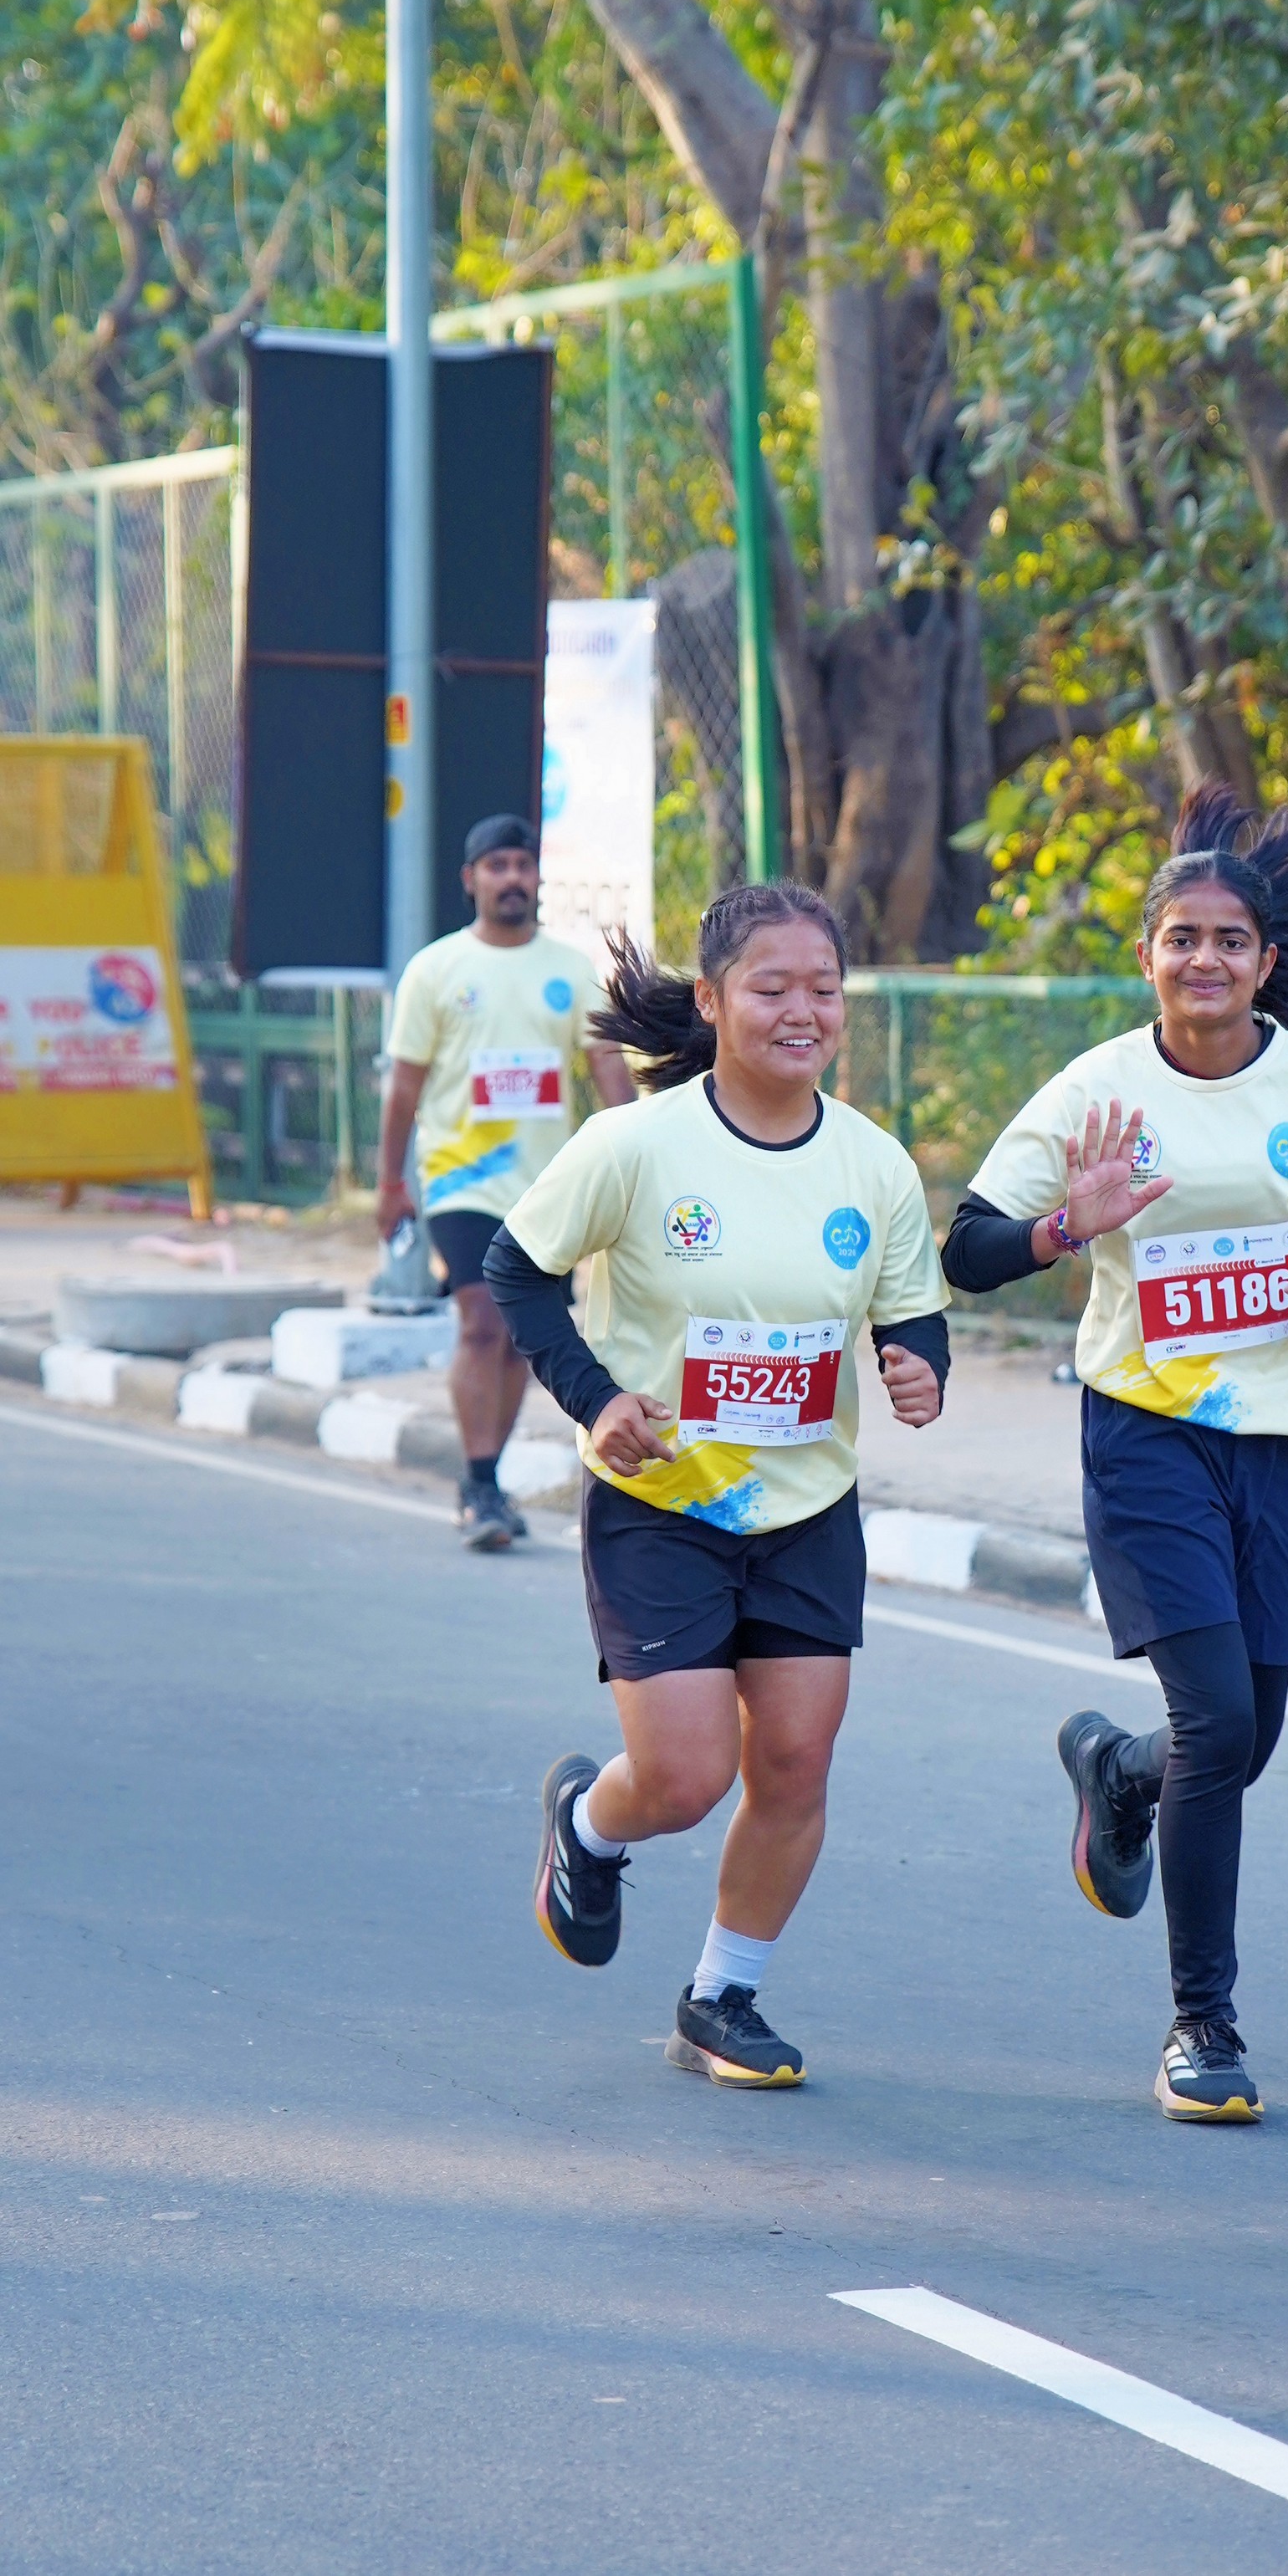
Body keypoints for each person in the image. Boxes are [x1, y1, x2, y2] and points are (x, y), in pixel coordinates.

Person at [943, 783, 1288, 2125]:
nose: (1204, 960)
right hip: (1147, 1433)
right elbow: (967, 1250)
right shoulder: (1095, 1091)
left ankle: (1121, 1773)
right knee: (1216, 1721)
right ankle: (1200, 2024)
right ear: (1147, 956)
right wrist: (1065, 1225)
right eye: (1182, 939)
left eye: (1229, 941)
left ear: (1264, 962)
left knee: (1242, 1734)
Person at [483, 881, 949, 2089]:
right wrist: (597, 1398)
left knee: (793, 1762)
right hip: (662, 1501)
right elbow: (517, 1269)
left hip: (806, 1507)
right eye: (771, 987)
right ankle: (589, 1823)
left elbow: (909, 1310)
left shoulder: (873, 1164)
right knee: (687, 1778)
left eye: (823, 989)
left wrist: (919, 1368)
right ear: (711, 1000)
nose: (802, 1011)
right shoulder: (634, 1145)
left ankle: (721, 1997)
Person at [376, 814, 635, 1551]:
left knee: (523, 1337)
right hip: (460, 1181)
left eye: (522, 864)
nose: (512, 878)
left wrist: (640, 1156)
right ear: (471, 880)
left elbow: (607, 1066)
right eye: (497, 866)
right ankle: (479, 1479)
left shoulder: (571, 970)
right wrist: (389, 1183)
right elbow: (403, 1087)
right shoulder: (436, 970)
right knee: (482, 1322)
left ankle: (489, 1476)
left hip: (546, 1190)